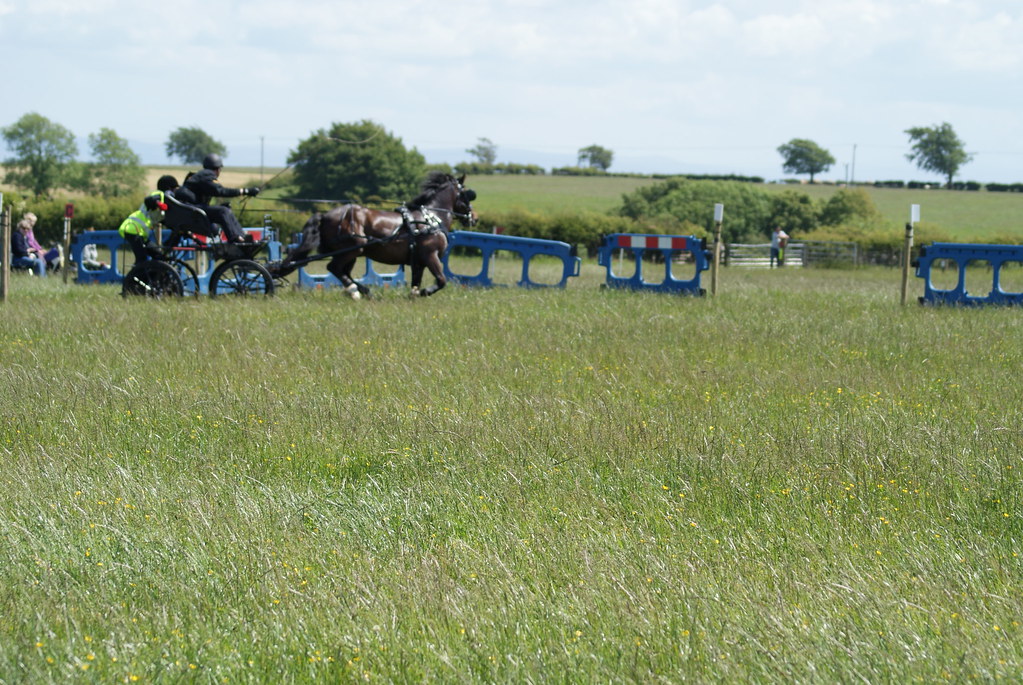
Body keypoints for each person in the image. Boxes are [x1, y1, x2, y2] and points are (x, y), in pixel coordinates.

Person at [178, 153, 260, 244]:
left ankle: (242, 237)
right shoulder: (207, 175)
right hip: (191, 211)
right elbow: (220, 191)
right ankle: (235, 239)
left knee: (225, 210)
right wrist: (245, 191)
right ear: (218, 169)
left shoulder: (201, 176)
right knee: (223, 211)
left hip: (191, 210)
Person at [119, 189, 169, 263]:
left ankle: (152, 274)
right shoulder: (160, 194)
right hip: (132, 229)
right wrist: (158, 203)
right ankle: (135, 275)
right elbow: (149, 200)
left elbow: (159, 223)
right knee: (141, 258)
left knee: (158, 255)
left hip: (140, 233)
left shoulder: (158, 212)